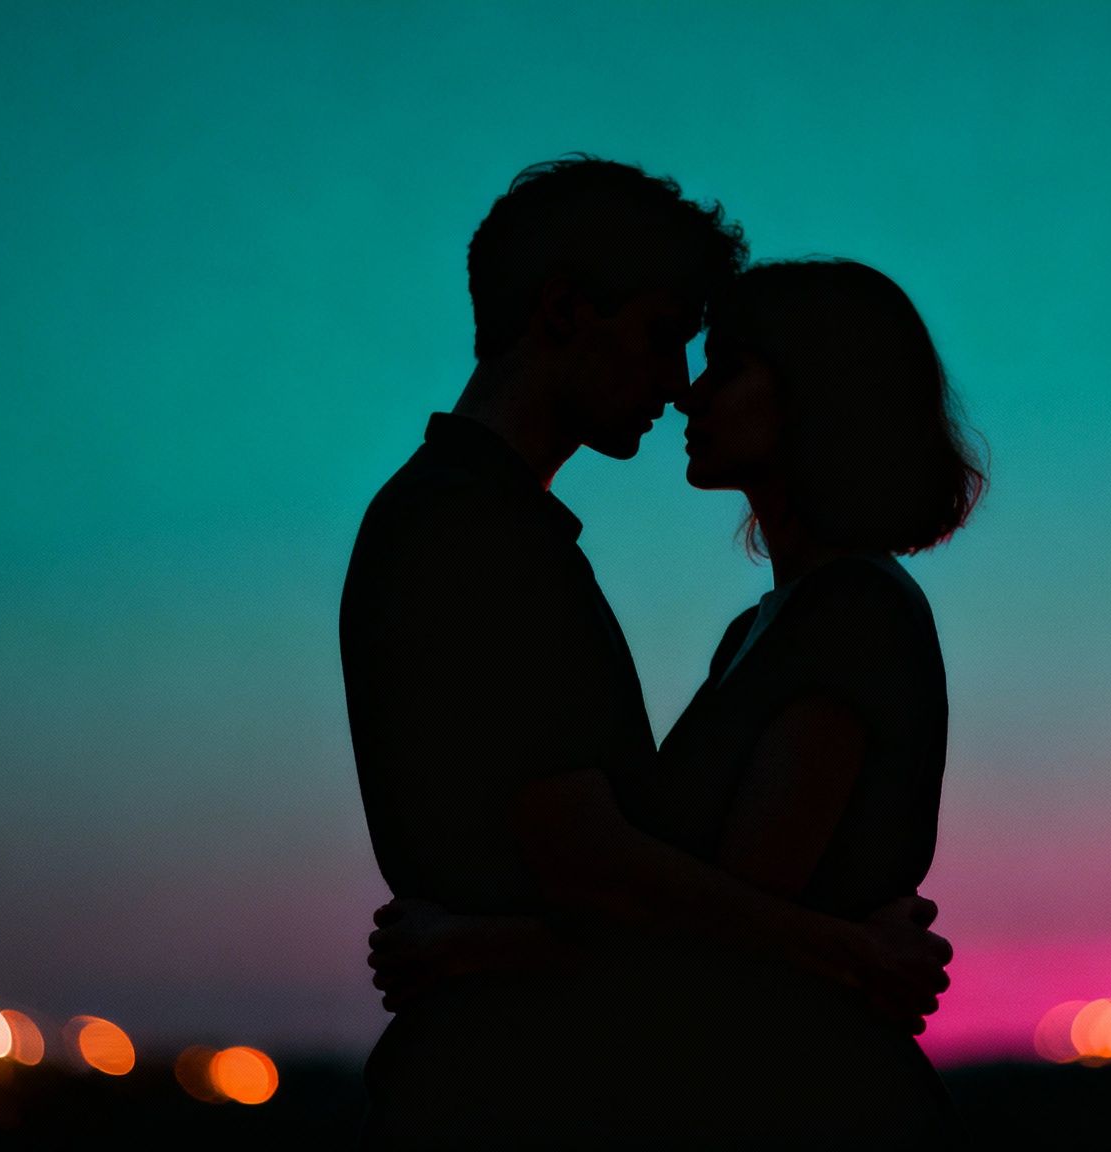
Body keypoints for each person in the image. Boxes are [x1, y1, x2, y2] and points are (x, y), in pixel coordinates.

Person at [339, 159, 955, 1148]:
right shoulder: (476, 533)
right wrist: (848, 951)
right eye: (670, 340)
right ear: (564, 310)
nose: (679, 388)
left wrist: (475, 943)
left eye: (716, 361)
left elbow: (681, 900)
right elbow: (621, 876)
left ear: (816, 397)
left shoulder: (844, 613)